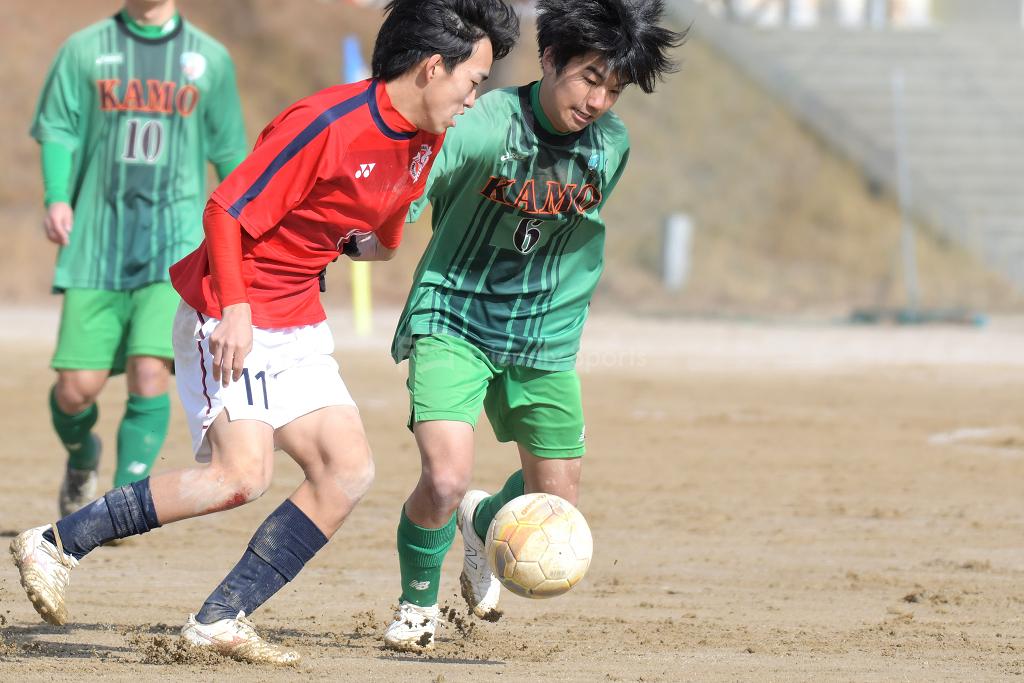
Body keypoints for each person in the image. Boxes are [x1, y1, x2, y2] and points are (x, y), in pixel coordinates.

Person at [11, 0, 519, 665]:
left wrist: (364, 243)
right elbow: (226, 209)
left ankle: (221, 618)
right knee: (237, 475)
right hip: (231, 306)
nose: (474, 96)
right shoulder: (325, 124)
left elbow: (380, 236)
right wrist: (239, 310)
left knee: (347, 469)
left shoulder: (427, 139)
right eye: (473, 80)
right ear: (431, 68)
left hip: (298, 316)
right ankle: (54, 542)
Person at [382, 0, 684, 652]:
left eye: (614, 87)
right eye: (589, 77)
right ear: (550, 59)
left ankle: (481, 522)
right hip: (455, 314)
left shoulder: (611, 145)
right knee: (443, 476)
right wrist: (361, 233)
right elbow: (411, 191)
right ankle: (416, 607)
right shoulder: (485, 124)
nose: (599, 99)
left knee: (558, 503)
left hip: (542, 333)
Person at [31, 0, 248, 516]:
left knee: (150, 372)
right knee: (73, 391)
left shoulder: (209, 59)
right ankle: (83, 458)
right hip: (96, 242)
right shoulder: (84, 50)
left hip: (172, 246)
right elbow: (57, 127)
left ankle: (114, 507)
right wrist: (57, 196)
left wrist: (250, 230)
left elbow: (231, 155)